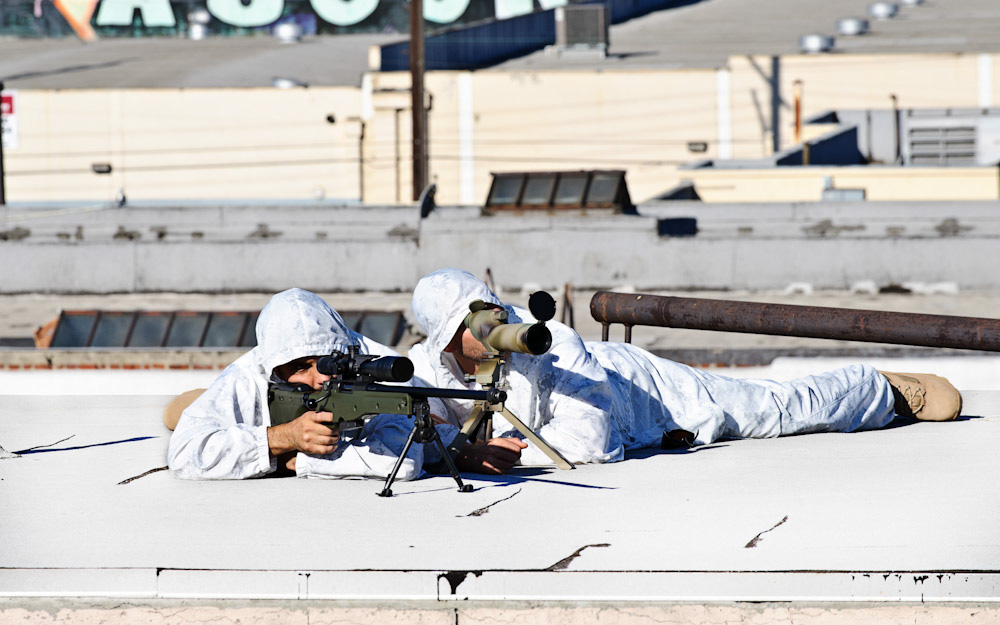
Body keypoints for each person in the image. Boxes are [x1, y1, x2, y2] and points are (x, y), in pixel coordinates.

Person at [407, 268, 962, 467]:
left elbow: (591, 442)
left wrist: (492, 451)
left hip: (645, 393)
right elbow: (406, 435)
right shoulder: (422, 368)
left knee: (772, 410)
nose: (493, 327)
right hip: (605, 422)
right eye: (474, 324)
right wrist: (462, 450)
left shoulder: (555, 342)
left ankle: (881, 391)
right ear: (444, 339)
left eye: (494, 314)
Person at [166, 288, 522, 480]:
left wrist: (297, 463)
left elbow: (407, 456)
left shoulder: (373, 361)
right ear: (275, 367)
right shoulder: (249, 374)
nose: (319, 378)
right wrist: (282, 439)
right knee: (178, 413)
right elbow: (186, 453)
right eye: (300, 368)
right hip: (223, 407)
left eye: (323, 364)